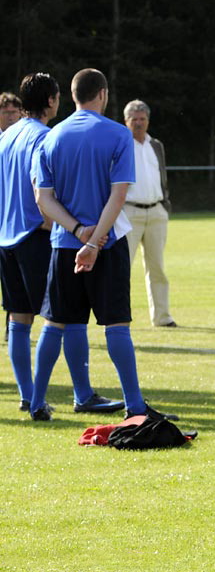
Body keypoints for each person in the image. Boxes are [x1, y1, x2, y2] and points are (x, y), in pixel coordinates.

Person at [31, 68, 175, 421]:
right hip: (107, 246)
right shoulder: (117, 134)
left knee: (56, 323)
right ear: (104, 94)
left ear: (73, 95)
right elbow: (118, 193)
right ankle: (135, 404)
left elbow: (43, 199)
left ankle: (36, 402)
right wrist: (94, 241)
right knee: (116, 325)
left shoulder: (50, 137)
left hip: (64, 245)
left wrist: (78, 231)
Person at [0, 72, 123, 415]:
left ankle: (28, 395)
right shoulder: (45, 137)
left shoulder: (6, 137)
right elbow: (44, 194)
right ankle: (82, 394)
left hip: (5, 240)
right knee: (66, 316)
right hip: (35, 237)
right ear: (53, 100)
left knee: (18, 320)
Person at [122, 99, 176, 328]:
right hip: (128, 211)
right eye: (134, 119)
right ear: (126, 121)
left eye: (142, 119)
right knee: (122, 268)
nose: (138, 123)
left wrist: (165, 205)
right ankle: (119, 316)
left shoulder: (156, 145)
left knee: (157, 269)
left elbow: (162, 176)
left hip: (156, 212)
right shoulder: (121, 145)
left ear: (148, 120)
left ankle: (162, 317)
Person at [1, 92, 22, 344]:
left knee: (11, 283)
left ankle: (11, 328)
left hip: (10, 223)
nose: (10, 116)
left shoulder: (21, 142)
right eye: (6, 112)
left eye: (15, 112)